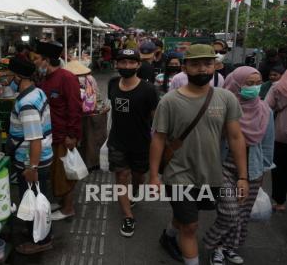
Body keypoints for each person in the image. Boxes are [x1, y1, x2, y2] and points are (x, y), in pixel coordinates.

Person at [149, 44, 248, 265]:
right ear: (185, 67)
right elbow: (158, 139)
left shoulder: (226, 98)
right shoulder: (169, 101)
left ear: (216, 65)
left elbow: (235, 137)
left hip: (211, 174)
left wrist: (243, 176)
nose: (202, 69)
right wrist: (154, 175)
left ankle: (168, 237)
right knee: (191, 226)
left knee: (185, 217)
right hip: (178, 174)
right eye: (195, 64)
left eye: (207, 63)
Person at [204, 66, 275, 265]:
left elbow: (268, 144)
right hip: (224, 166)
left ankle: (227, 248)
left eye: (257, 83)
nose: (254, 88)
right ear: (236, 84)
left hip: (253, 169)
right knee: (230, 212)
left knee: (243, 215)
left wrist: (262, 170)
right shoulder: (222, 107)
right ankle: (212, 243)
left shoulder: (265, 110)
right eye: (248, 84)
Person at [108, 49, 159, 237]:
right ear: (117, 64)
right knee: (122, 176)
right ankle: (128, 216)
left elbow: (156, 119)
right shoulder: (113, 83)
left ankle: (135, 190)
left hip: (141, 143)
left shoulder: (149, 90)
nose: (127, 66)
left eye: (131, 63)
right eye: (123, 62)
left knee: (138, 176)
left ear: (138, 65)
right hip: (117, 141)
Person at [7, 58, 54, 254]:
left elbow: (34, 138)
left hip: (32, 160)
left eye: (10, 75)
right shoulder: (37, 91)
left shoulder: (26, 103)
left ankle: (41, 241)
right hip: (39, 157)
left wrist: (31, 168)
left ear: (17, 77)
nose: (8, 79)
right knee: (38, 198)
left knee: (34, 201)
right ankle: (38, 234)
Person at [35, 41, 83, 221]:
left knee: (65, 173)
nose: (35, 62)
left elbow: (75, 108)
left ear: (46, 60)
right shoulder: (45, 79)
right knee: (56, 172)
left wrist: (73, 135)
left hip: (64, 135)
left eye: (38, 59)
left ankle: (69, 208)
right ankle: (63, 203)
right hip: (50, 135)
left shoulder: (67, 78)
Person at [266, 70, 287, 212]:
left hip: (281, 136)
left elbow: (266, 108)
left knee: (280, 170)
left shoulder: (278, 87)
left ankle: (280, 203)